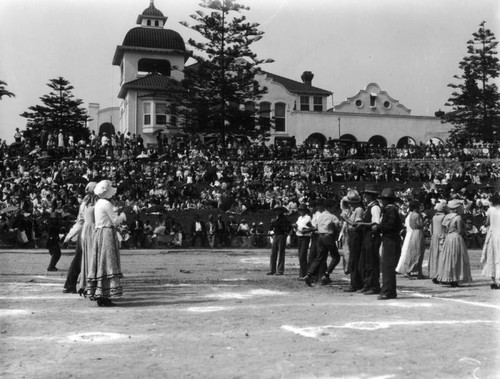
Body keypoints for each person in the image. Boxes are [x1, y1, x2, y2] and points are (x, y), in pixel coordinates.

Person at [87, 180, 126, 307]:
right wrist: (123, 215)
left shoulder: (99, 203)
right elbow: (115, 221)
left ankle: (100, 293)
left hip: (99, 233)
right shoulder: (106, 203)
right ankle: (106, 294)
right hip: (107, 233)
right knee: (108, 262)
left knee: (101, 263)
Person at [62, 182, 97, 294]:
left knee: (80, 259)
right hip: (91, 233)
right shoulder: (94, 202)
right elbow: (81, 221)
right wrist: (68, 236)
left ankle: (72, 285)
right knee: (82, 260)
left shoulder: (85, 202)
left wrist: (68, 236)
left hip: (84, 233)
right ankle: (77, 284)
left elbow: (79, 222)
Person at [435, 199, 472, 287]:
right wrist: (465, 229)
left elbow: (444, 229)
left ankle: (448, 277)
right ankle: (455, 278)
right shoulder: (458, 217)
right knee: (457, 258)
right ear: (456, 209)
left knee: (448, 258)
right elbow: (459, 231)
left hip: (448, 238)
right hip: (456, 238)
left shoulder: (446, 216)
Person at [304, 199, 341, 286]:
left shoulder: (320, 216)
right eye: (334, 207)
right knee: (336, 257)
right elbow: (337, 226)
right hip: (328, 237)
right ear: (329, 207)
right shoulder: (333, 217)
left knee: (319, 258)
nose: (335, 209)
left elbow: (316, 227)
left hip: (320, 237)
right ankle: (326, 274)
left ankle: (309, 274)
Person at [378, 188, 403, 300]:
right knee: (387, 266)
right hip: (391, 239)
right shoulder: (391, 210)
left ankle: (388, 291)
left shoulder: (390, 210)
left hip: (390, 239)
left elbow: (391, 225)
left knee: (387, 266)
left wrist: (379, 227)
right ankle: (389, 290)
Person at [357, 184, 382, 295]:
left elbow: (376, 224)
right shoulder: (369, 207)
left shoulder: (375, 207)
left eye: (366, 195)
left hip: (372, 236)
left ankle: (374, 285)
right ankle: (367, 283)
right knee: (366, 261)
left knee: (372, 262)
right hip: (367, 236)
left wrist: (363, 224)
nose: (364, 197)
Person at [341, 190, 364, 292]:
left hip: (355, 234)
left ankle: (355, 284)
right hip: (351, 234)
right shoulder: (353, 209)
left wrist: (346, 219)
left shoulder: (358, 210)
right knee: (351, 259)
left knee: (354, 258)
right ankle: (354, 283)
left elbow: (356, 224)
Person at [396, 201, 426, 279]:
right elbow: (420, 225)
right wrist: (425, 221)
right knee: (418, 252)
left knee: (413, 252)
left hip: (412, 233)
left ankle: (416, 272)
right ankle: (411, 271)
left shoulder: (410, 215)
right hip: (418, 233)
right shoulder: (417, 215)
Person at [480, 193, 500, 289]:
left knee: (491, 256)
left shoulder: (490, 210)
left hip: (493, 235)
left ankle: (493, 281)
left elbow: (487, 222)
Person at [267, 207, 292, 275]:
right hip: (276, 235)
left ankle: (279, 270)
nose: (277, 212)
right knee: (274, 253)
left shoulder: (283, 218)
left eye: (278, 210)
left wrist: (286, 233)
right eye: (276, 210)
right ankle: (273, 270)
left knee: (280, 253)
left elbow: (289, 226)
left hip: (281, 235)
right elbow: (271, 227)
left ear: (281, 211)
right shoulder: (275, 218)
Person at [428, 201, 446, 283]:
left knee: (434, 257)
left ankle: (434, 275)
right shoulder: (444, 217)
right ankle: (441, 275)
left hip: (434, 237)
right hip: (441, 237)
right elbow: (445, 228)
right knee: (442, 257)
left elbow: (431, 229)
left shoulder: (434, 217)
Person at [295, 203, 313, 280]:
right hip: (299, 236)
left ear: (305, 210)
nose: (301, 211)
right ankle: (302, 273)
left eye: (302, 210)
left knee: (302, 255)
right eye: (300, 210)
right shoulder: (299, 218)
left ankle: (304, 273)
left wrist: (297, 227)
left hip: (305, 237)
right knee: (300, 255)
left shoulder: (308, 218)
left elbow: (304, 229)